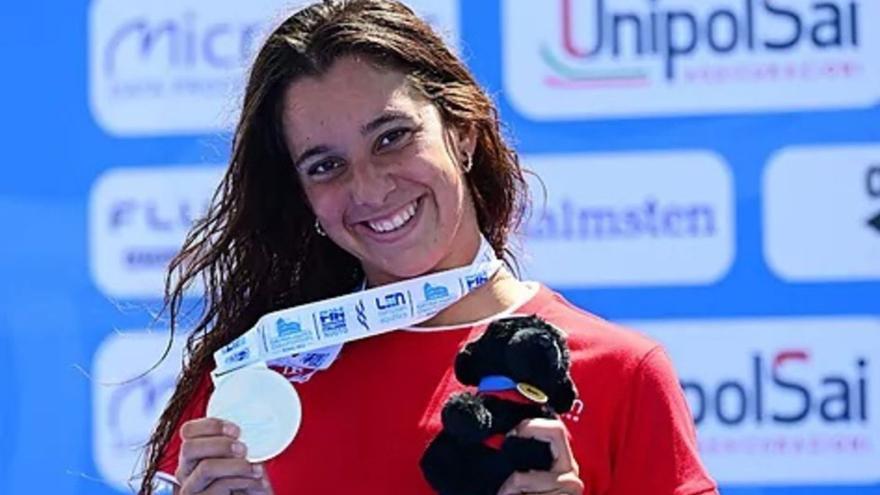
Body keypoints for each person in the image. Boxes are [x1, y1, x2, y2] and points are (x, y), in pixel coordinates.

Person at [139, 1, 719, 494]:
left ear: (462, 132)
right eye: (326, 166)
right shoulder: (248, 388)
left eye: (392, 138)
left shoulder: (620, 372)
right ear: (303, 198)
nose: (368, 187)